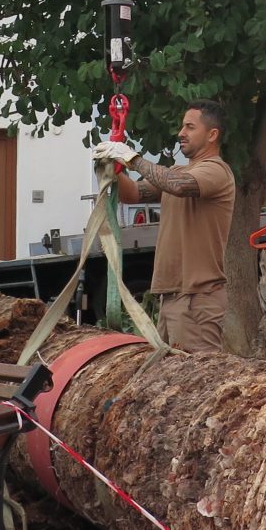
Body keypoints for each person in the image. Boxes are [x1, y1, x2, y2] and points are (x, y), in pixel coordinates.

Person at [93, 101, 236, 353]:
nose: (181, 133)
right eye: (182, 126)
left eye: (190, 127)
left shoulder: (216, 171)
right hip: (171, 298)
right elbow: (134, 194)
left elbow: (178, 185)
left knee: (197, 383)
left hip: (197, 300)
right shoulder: (177, 171)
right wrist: (109, 170)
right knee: (169, 383)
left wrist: (131, 159)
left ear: (212, 134)